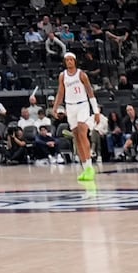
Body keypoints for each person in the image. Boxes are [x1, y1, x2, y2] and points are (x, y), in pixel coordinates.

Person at [58, 53, 100, 185]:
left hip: (83, 105)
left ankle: (90, 166)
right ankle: (85, 168)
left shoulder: (82, 74)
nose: (69, 62)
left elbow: (90, 92)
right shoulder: (62, 76)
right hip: (70, 107)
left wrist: (96, 111)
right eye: (67, 60)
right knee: (76, 138)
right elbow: (60, 92)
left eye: (71, 60)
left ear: (75, 61)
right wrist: (55, 107)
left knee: (83, 133)